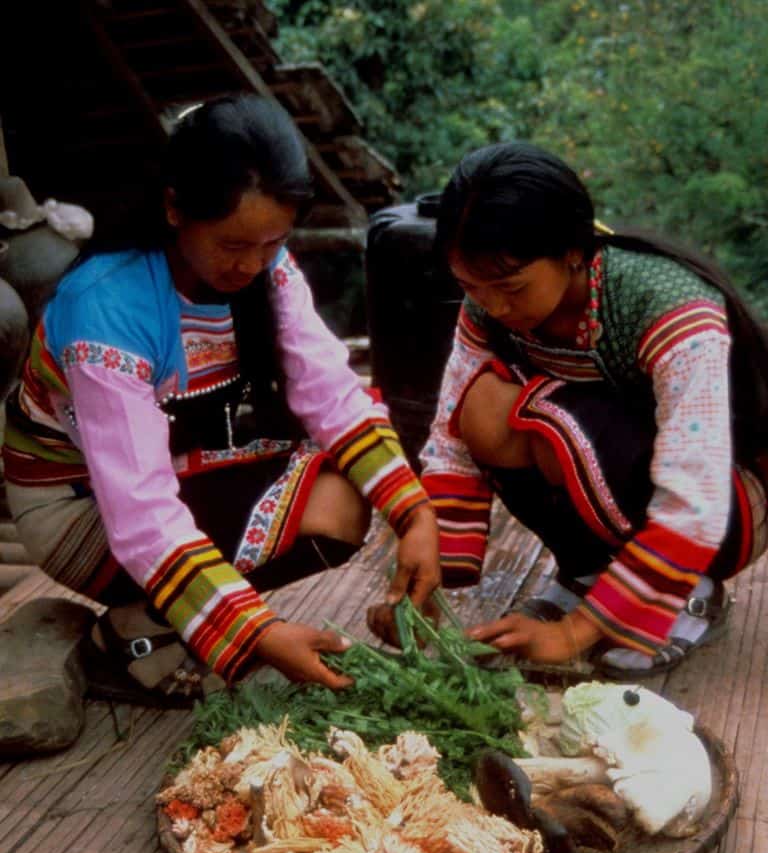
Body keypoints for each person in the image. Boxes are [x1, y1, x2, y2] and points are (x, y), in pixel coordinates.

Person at [2, 94, 440, 704]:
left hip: (160, 479)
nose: (253, 265)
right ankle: (136, 633)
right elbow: (140, 509)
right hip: (76, 509)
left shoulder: (265, 267)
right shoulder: (103, 306)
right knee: (322, 500)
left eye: (271, 243)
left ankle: (179, 619)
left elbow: (333, 394)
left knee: (344, 496)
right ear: (175, 207)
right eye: (234, 245)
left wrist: (415, 514)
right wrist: (258, 632)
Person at [420, 142, 768, 679]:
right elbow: (450, 437)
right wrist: (424, 572)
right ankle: (586, 575)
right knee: (478, 409)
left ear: (573, 250)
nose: (493, 305)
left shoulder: (669, 307)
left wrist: (572, 635)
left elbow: (696, 499)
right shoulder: (488, 302)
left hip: (731, 500)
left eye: (510, 286)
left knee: (554, 424)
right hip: (612, 464)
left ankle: (687, 594)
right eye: (470, 285)